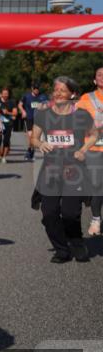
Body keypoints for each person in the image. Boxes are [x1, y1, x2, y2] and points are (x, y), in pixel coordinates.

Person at [31, 76, 98, 263]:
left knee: (70, 214)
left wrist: (83, 150)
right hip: (51, 170)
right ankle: (61, 249)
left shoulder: (82, 115)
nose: (58, 93)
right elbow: (34, 138)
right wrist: (40, 143)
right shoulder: (43, 114)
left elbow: (94, 134)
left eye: (63, 90)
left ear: (72, 94)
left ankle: (76, 242)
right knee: (50, 213)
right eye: (56, 89)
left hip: (74, 170)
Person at [75, 66, 103, 236]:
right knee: (97, 184)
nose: (102, 76)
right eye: (99, 74)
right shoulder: (86, 98)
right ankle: (96, 219)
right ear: (94, 79)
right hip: (93, 148)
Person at [21, 83, 50, 160]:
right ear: (32, 88)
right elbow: (20, 104)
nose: (36, 90)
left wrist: (44, 106)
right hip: (30, 118)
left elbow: (48, 104)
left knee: (39, 138)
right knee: (31, 137)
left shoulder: (43, 96)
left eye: (38, 89)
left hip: (39, 119)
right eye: (35, 89)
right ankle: (30, 150)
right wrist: (23, 111)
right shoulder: (26, 96)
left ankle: (31, 150)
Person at [0, 87, 18, 163]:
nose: (5, 95)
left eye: (6, 94)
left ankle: (4, 157)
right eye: (4, 93)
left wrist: (7, 112)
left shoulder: (12, 102)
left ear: (8, 94)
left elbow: (15, 113)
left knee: (6, 141)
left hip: (8, 123)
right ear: (1, 94)